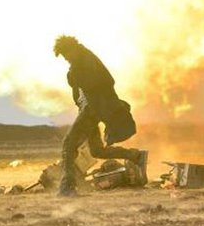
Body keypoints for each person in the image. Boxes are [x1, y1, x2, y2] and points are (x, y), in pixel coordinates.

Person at [53, 36, 148, 196]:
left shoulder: (86, 60)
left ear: (73, 48)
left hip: (92, 109)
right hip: (88, 109)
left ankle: (67, 187)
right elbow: (80, 90)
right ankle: (134, 155)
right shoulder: (78, 63)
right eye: (64, 56)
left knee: (68, 144)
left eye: (67, 54)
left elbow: (104, 82)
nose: (66, 58)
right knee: (97, 151)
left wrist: (76, 77)